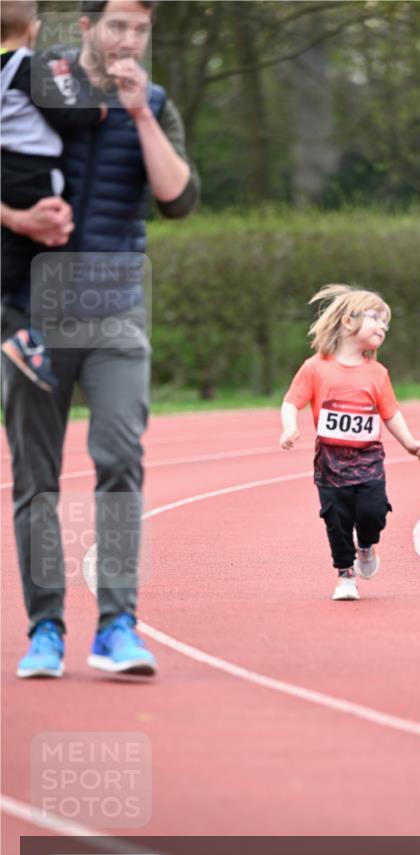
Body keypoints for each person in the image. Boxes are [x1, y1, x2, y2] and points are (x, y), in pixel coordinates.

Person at [1, 0, 200, 678]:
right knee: (37, 481)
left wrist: (140, 111)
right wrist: (18, 217)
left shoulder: (158, 102)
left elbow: (178, 199)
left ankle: (117, 624)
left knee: (119, 459)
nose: (128, 41)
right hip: (32, 310)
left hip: (117, 310)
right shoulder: (31, 89)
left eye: (140, 30)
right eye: (117, 26)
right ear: (86, 29)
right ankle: (45, 631)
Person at [280, 284, 420, 601]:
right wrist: (289, 427)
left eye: (387, 324)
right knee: (337, 519)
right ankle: (345, 574)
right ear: (348, 321)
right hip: (330, 464)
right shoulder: (315, 367)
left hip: (368, 461)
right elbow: (292, 402)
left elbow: (390, 413)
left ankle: (366, 545)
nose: (384, 328)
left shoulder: (377, 373)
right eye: (377, 319)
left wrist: (410, 443)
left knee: (372, 512)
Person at [1, 0, 106, 390]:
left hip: (5, 173)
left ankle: (18, 330)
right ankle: (30, 338)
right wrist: (95, 110)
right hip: (34, 174)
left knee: (11, 258)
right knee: (57, 248)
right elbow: (65, 112)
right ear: (33, 28)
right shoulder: (33, 67)